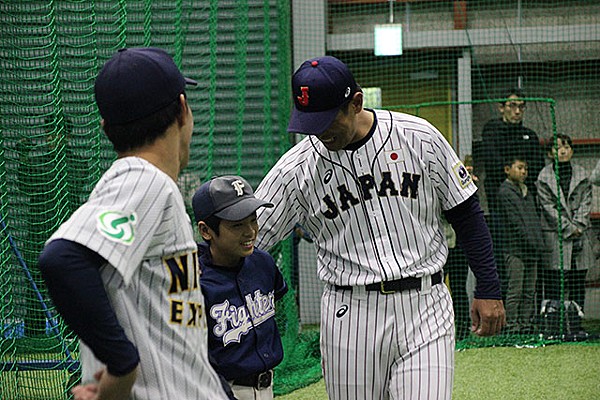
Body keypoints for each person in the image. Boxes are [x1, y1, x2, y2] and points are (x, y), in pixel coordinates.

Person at [254, 55, 505, 400]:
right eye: (309, 122)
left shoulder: (419, 137)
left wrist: (488, 287)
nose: (319, 132)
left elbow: (466, 212)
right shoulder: (296, 169)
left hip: (425, 304)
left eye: (327, 120)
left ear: (356, 103)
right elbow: (250, 237)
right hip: (350, 314)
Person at [38, 47, 229, 400]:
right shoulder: (144, 180)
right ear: (183, 110)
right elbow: (62, 259)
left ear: (106, 128)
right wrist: (122, 364)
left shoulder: (138, 185)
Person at [191, 175, 288, 400]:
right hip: (220, 391)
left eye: (253, 220)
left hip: (268, 388)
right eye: (237, 225)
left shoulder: (263, 263)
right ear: (206, 231)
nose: (250, 232)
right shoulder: (195, 283)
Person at [536, 134, 594, 311]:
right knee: (554, 282)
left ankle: (577, 321)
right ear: (550, 153)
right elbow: (548, 207)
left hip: (581, 236)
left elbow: (587, 201)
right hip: (555, 236)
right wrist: (569, 228)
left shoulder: (583, 174)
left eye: (567, 147)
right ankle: (554, 323)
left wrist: (579, 225)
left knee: (578, 282)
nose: (563, 151)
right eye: (558, 147)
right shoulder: (544, 177)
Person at [497, 156, 543, 333]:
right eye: (520, 168)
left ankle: (525, 324)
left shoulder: (527, 191)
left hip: (532, 250)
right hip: (514, 249)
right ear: (508, 169)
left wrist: (537, 244)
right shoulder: (505, 192)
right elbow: (516, 223)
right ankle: (512, 325)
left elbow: (533, 221)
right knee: (515, 289)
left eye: (526, 169)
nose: (523, 172)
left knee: (529, 290)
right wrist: (533, 242)